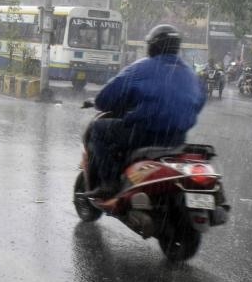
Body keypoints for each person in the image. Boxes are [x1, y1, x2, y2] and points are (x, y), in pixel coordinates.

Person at [84, 25, 206, 197]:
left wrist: (97, 102)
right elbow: (199, 102)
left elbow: (107, 97)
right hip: (177, 138)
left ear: (153, 46)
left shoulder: (141, 68)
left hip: (144, 134)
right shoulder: (191, 73)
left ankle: (109, 183)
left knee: (98, 129)